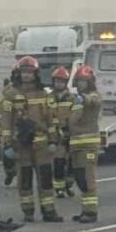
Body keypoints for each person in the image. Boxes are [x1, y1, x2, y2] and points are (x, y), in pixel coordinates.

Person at [1, 56, 63, 222]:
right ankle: (28, 212)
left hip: (42, 144)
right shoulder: (11, 94)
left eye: (29, 72)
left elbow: (51, 119)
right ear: (18, 73)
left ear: (36, 74)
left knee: (46, 179)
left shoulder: (44, 94)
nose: (26, 75)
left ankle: (49, 211)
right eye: (24, 72)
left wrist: (53, 140)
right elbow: (6, 121)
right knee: (25, 180)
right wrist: (7, 143)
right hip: (22, 144)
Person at [67, 64, 103, 223]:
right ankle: (85, 210)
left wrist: (84, 98)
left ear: (90, 82)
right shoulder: (76, 99)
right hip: (75, 144)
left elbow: (93, 101)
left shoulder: (93, 96)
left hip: (89, 145)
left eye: (84, 81)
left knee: (88, 179)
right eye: (79, 80)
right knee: (80, 179)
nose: (81, 83)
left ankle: (91, 212)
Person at [49, 66, 76, 199]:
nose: (58, 84)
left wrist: (70, 129)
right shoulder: (49, 98)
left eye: (61, 81)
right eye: (56, 81)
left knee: (72, 162)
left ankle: (69, 185)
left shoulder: (72, 98)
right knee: (58, 162)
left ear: (66, 82)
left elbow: (76, 115)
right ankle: (59, 188)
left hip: (70, 133)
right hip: (55, 135)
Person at [0, 72, 18, 185]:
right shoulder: (2, 101)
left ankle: (16, 173)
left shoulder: (19, 97)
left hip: (17, 130)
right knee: (6, 154)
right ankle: (10, 173)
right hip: (7, 131)